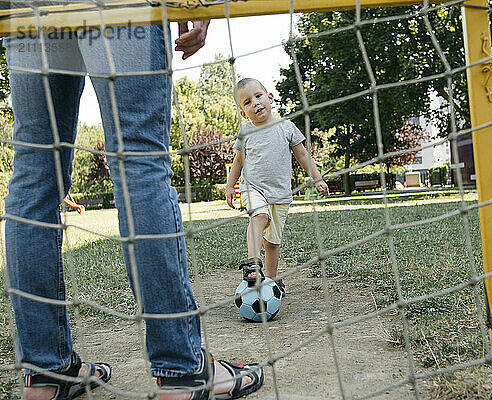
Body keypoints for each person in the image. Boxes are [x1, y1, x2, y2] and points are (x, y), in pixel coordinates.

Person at [4, 17, 263, 400]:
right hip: (118, 9)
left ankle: (46, 374)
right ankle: (181, 372)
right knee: (139, 158)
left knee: (34, 174)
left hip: (29, 10)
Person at [225, 78, 329, 295]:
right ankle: (252, 264)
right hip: (252, 188)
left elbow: (302, 155)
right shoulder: (246, 132)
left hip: (280, 194)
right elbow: (238, 162)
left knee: (272, 242)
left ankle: (271, 282)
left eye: (258, 96)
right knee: (258, 216)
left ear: (269, 98)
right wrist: (230, 186)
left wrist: (317, 178)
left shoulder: (286, 127)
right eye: (247, 102)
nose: (255, 103)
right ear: (244, 113)